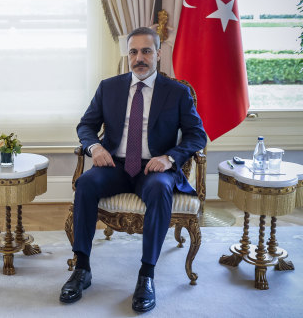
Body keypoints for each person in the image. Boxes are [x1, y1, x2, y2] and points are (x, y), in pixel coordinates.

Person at [59, 27, 207, 312]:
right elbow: (86, 126)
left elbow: (196, 135)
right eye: (134, 52)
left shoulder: (176, 93)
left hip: (153, 168)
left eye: (146, 51)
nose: (139, 58)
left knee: (161, 189)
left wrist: (170, 158)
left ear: (159, 54)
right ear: (128, 55)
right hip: (114, 164)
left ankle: (146, 275)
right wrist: (95, 148)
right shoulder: (109, 87)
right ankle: (82, 269)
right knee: (86, 184)